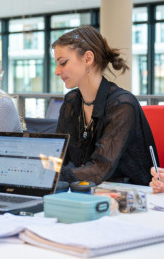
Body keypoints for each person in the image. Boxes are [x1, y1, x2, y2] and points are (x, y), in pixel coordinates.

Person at [53, 26, 157, 185]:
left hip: (129, 196)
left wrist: (48, 174)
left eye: (63, 63)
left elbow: (100, 170)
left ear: (88, 58)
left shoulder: (122, 105)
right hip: (85, 191)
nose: (56, 71)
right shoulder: (71, 102)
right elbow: (59, 156)